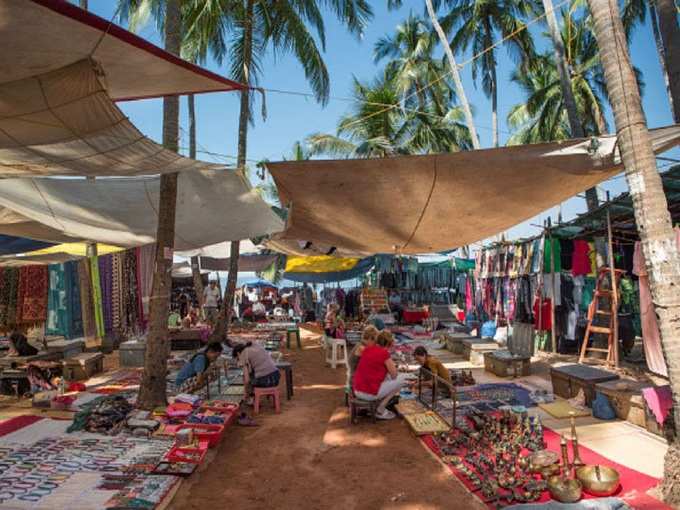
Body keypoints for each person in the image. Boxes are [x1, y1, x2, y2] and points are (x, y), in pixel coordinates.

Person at [352, 326, 406, 420]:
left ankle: (379, 406)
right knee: (402, 380)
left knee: (388, 378)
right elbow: (394, 375)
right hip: (368, 393)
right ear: (389, 344)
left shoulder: (367, 349)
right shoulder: (384, 353)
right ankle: (380, 409)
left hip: (357, 390)